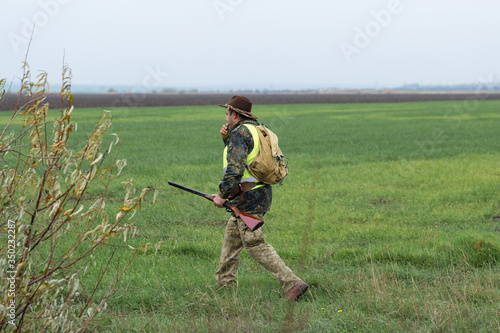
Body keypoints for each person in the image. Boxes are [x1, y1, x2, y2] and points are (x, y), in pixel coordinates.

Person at [212, 95, 308, 301]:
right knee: (231, 240)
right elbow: (247, 157)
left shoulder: (239, 134)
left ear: (234, 114)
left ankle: (292, 283)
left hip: (247, 197)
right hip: (257, 193)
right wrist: (225, 139)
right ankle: (225, 286)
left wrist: (221, 195)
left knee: (255, 244)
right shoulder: (256, 130)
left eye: (227, 112)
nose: (225, 116)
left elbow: (234, 170)